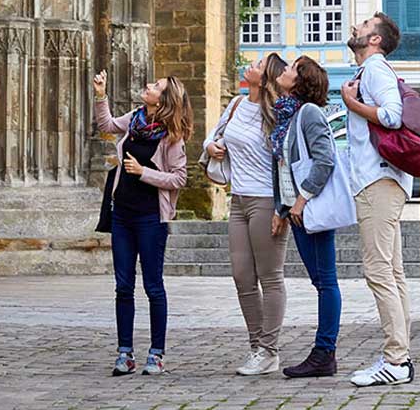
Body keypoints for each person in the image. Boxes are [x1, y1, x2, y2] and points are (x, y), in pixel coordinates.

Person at [92, 70, 193, 377]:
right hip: (122, 212)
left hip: (150, 217)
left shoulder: (170, 136)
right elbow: (108, 126)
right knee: (123, 285)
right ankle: (125, 352)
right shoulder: (136, 120)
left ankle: (156, 353)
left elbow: (179, 178)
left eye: (155, 86)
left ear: (163, 100)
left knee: (153, 286)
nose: (148, 86)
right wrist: (101, 94)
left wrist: (143, 172)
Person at [341, 12, 416, 387]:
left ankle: (396, 360)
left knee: (378, 271)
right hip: (384, 181)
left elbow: (390, 116)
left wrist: (351, 103)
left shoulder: (375, 70)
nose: (356, 26)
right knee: (394, 272)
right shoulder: (371, 71)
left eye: (365, 25)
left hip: (378, 182)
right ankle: (399, 354)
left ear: (375, 40)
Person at [204, 53, 288, 376]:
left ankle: (269, 349)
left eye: (258, 64)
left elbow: (285, 162)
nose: (250, 64)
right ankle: (257, 346)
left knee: (270, 276)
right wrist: (212, 146)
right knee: (242, 275)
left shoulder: (276, 114)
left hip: (266, 200)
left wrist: (282, 208)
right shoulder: (237, 104)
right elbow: (214, 135)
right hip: (238, 200)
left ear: (266, 78)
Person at [269, 56, 342, 378]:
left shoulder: (309, 113)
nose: (283, 71)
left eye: (290, 69)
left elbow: (325, 161)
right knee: (320, 282)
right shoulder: (288, 115)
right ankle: (323, 352)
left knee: (326, 282)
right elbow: (283, 166)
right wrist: (281, 209)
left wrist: (300, 201)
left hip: (309, 209)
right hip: (296, 211)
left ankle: (324, 352)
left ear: (301, 80)